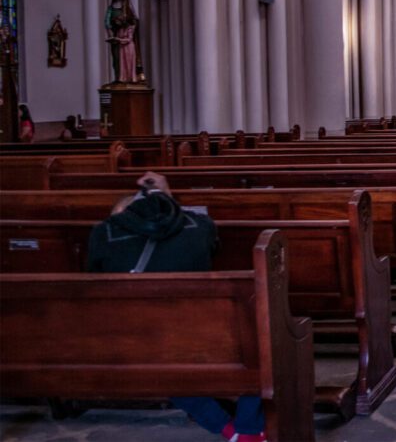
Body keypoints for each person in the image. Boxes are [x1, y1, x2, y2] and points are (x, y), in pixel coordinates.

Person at [87, 172, 265, 442]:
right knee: (260, 340)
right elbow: (208, 247)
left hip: (136, 341)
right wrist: (168, 198)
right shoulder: (200, 226)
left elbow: (94, 280)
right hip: (199, 334)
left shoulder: (104, 233)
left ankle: (227, 427)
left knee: (158, 358)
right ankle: (248, 428)